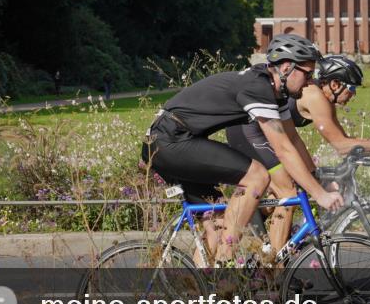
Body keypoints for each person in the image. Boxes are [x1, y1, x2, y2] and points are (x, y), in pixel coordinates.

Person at [141, 34, 344, 263]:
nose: (310, 82)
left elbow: (292, 140)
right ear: (287, 68)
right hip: (169, 140)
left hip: (170, 140)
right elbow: (283, 149)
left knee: (218, 221)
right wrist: (319, 195)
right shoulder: (258, 88)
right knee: (257, 176)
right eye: (307, 74)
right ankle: (226, 263)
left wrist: (316, 180)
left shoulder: (274, 93)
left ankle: (205, 281)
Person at [226, 55, 370, 253]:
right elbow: (341, 146)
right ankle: (275, 266)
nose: (353, 95)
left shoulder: (325, 99)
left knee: (296, 186)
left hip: (268, 134)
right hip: (248, 132)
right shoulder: (315, 96)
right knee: (289, 192)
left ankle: (253, 225)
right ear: (335, 84)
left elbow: (340, 140)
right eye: (352, 88)